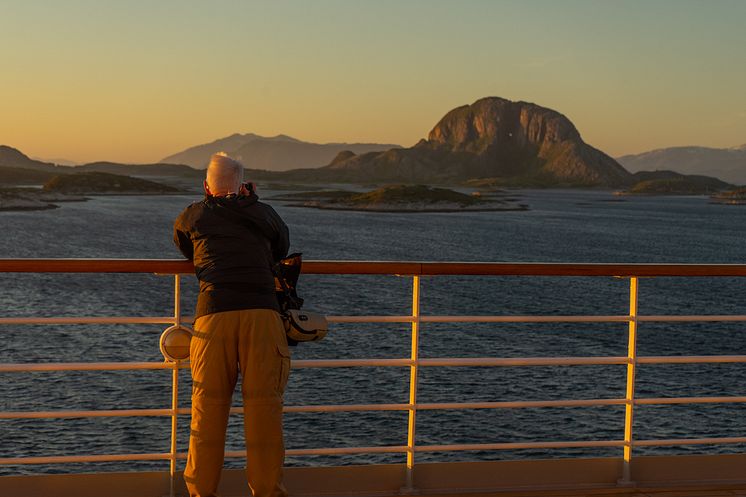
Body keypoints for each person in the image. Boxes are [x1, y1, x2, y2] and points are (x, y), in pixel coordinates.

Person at [173, 152, 291, 497]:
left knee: (206, 413)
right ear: (243, 185)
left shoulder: (194, 214)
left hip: (213, 317)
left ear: (206, 185)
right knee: (264, 414)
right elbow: (281, 244)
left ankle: (200, 493)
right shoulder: (263, 212)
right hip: (262, 315)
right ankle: (267, 491)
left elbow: (183, 244)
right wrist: (250, 201)